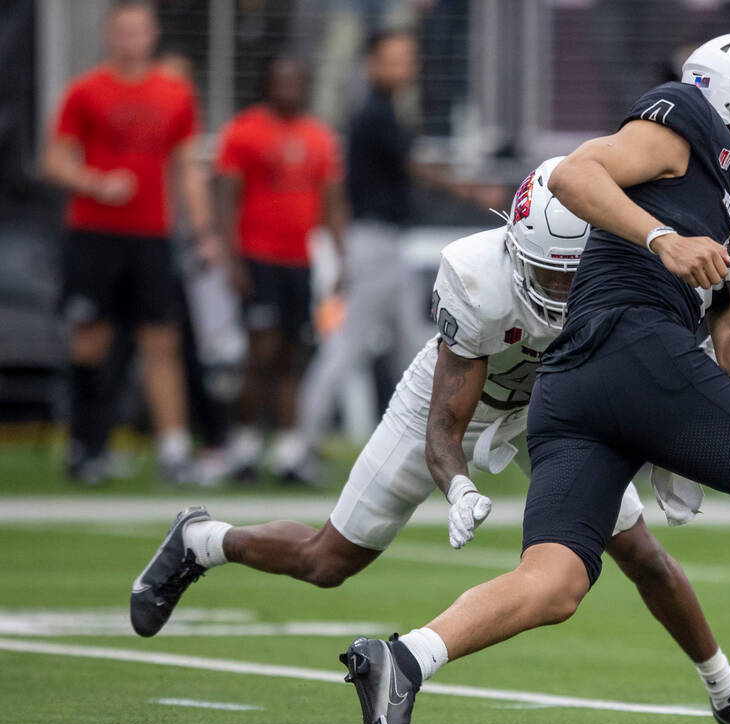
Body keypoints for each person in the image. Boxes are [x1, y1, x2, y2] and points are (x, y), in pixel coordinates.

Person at [332, 32, 730, 724]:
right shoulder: (685, 119)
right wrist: (662, 239)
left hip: (572, 386)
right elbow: (575, 173)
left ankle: (403, 659)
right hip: (634, 344)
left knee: (555, 582)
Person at [128, 158, 730, 724]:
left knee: (643, 555)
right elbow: (443, 430)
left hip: (558, 411)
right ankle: (203, 541)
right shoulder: (477, 277)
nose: (559, 292)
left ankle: (728, 693)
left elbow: (690, 362)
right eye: (545, 273)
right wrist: (457, 487)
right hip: (464, 402)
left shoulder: (633, 262)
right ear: (515, 246)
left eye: (571, 276)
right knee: (328, 561)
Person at [297, 29, 501, 458]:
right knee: (351, 345)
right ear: (372, 64)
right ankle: (300, 446)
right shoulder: (374, 114)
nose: (404, 68)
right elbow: (414, 166)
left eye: (408, 59)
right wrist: (470, 190)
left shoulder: (386, 111)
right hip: (374, 244)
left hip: (387, 246)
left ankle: (430, 441)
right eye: (393, 59)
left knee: (414, 346)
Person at [41, 0, 220, 483]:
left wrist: (203, 231)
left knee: (162, 339)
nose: (131, 39)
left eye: (139, 30)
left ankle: (174, 450)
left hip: (152, 237)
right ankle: (86, 446)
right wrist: (96, 183)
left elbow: (188, 168)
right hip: (94, 234)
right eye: (123, 30)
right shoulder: (86, 91)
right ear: (109, 34)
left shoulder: (175, 93)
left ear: (152, 34)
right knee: (90, 341)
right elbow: (54, 161)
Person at [216, 56, 348, 483]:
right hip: (259, 258)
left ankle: (290, 452)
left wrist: (340, 256)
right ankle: (244, 446)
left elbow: (331, 201)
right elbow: (227, 199)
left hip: (300, 261)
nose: (289, 88)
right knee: (261, 352)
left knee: (294, 354)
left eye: (296, 81)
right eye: (282, 80)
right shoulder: (245, 131)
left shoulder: (318, 137)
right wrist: (233, 260)